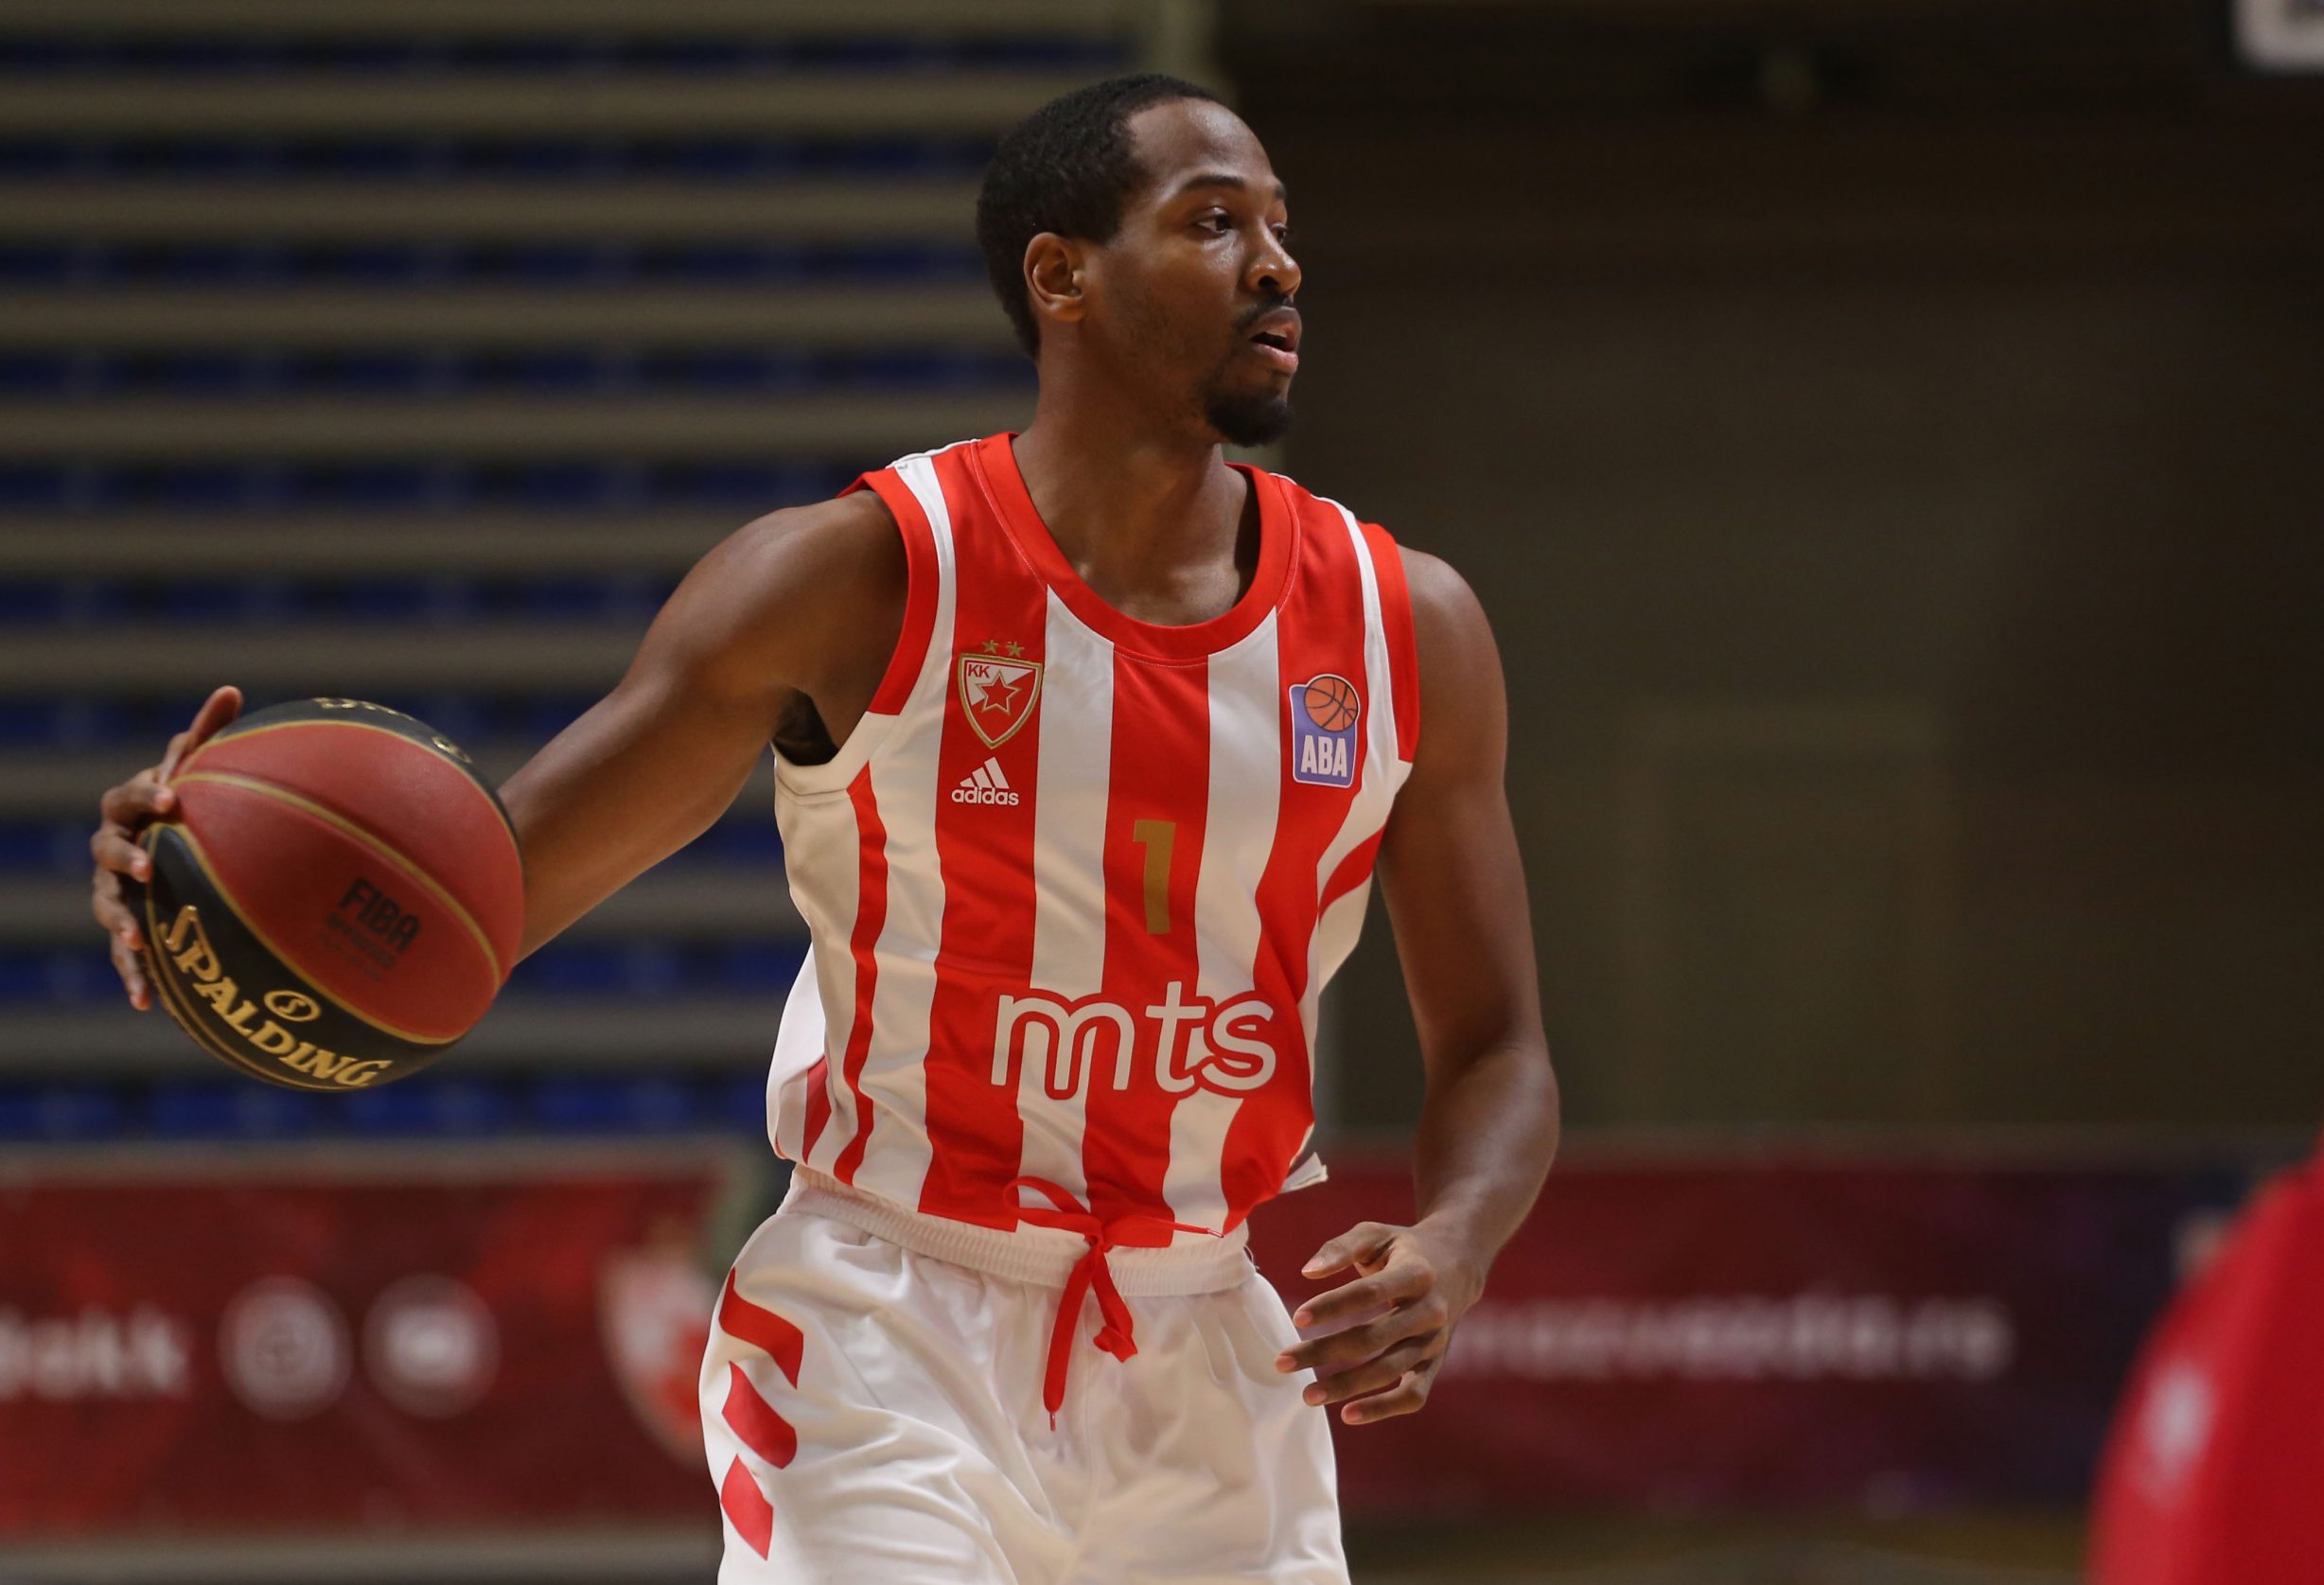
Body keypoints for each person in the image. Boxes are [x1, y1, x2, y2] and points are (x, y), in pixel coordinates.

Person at [86, 75, 1559, 1585]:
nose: (1278, 263)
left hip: (1208, 1354)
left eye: (1279, 226)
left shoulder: (1406, 629)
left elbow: (1497, 1046)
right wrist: (200, 887)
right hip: (889, 1335)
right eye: (1213, 223)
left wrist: (1453, 1245)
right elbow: (473, 905)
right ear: (1061, 277)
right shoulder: (855, 581)